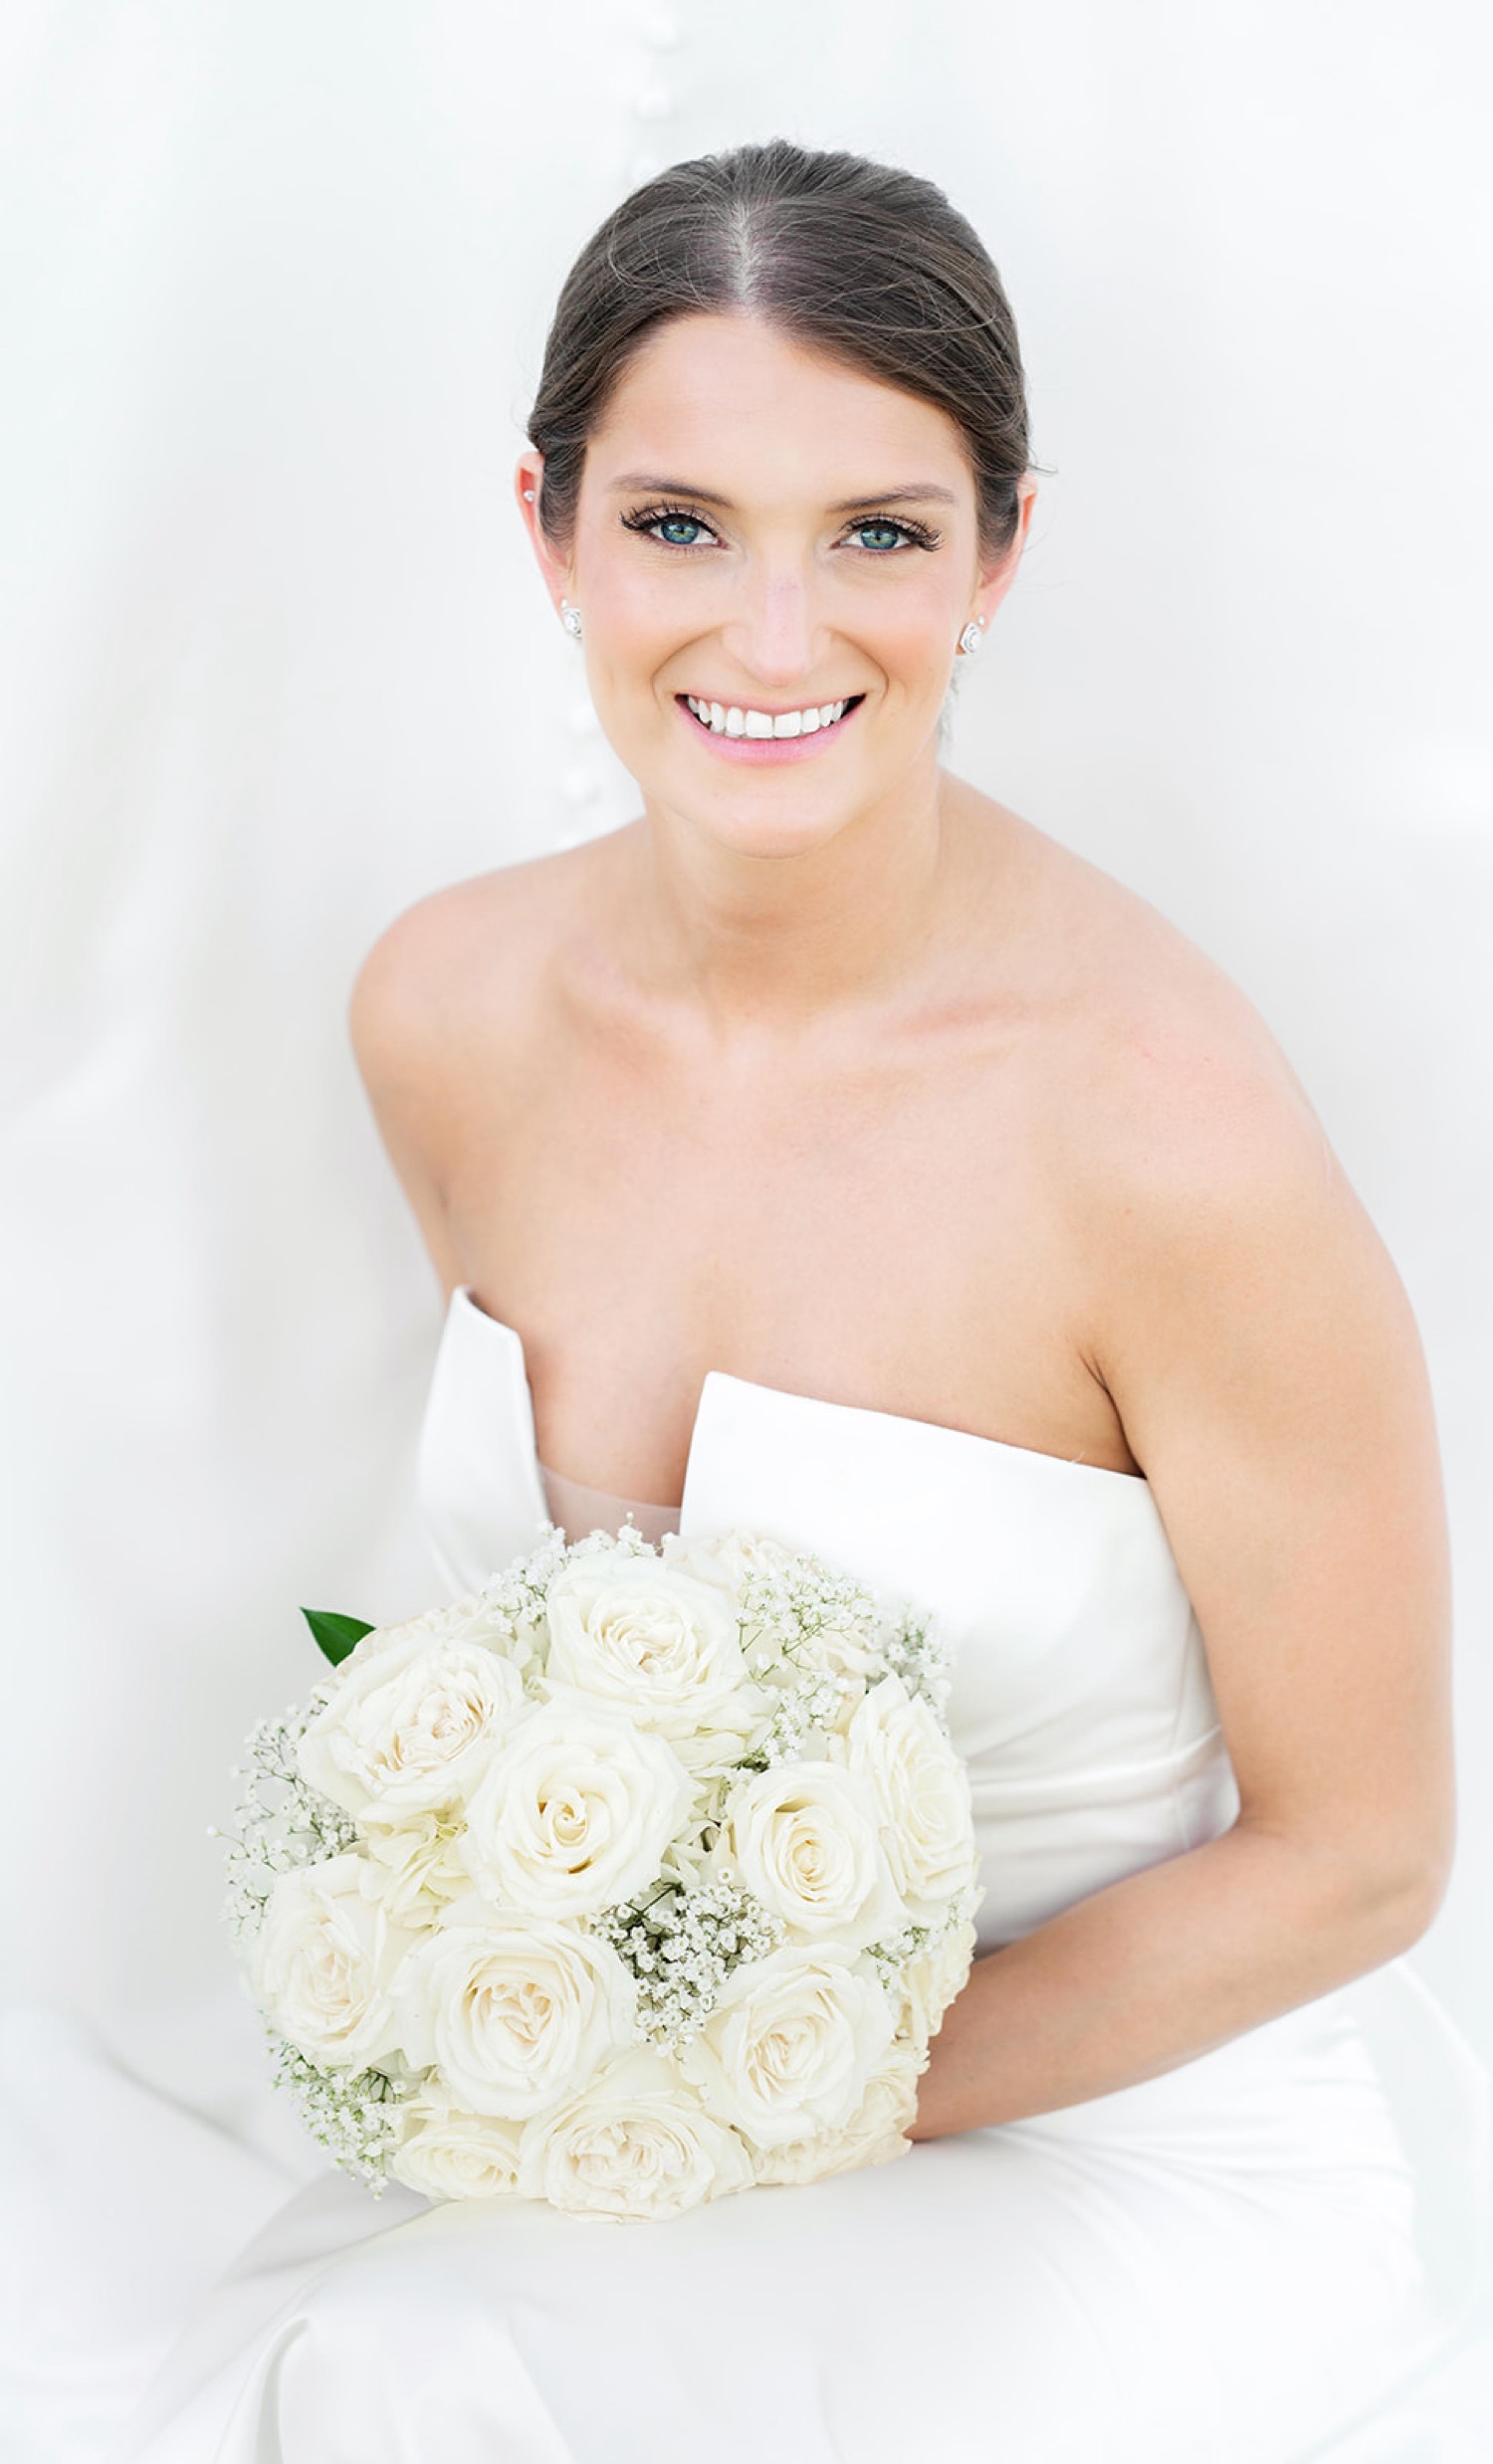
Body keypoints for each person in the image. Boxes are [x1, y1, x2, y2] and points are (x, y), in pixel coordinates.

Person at [114, 136, 1486, 2461]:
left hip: (1129, 2147)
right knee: (372, 2377)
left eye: (879, 531)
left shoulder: (1166, 1131)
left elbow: (1361, 1850)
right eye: (678, 524)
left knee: (463, 2391)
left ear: (1002, 552)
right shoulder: (440, 1010)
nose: (775, 637)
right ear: (544, 531)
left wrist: (763, 2078)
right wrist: (549, 2020)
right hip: (630, 2156)